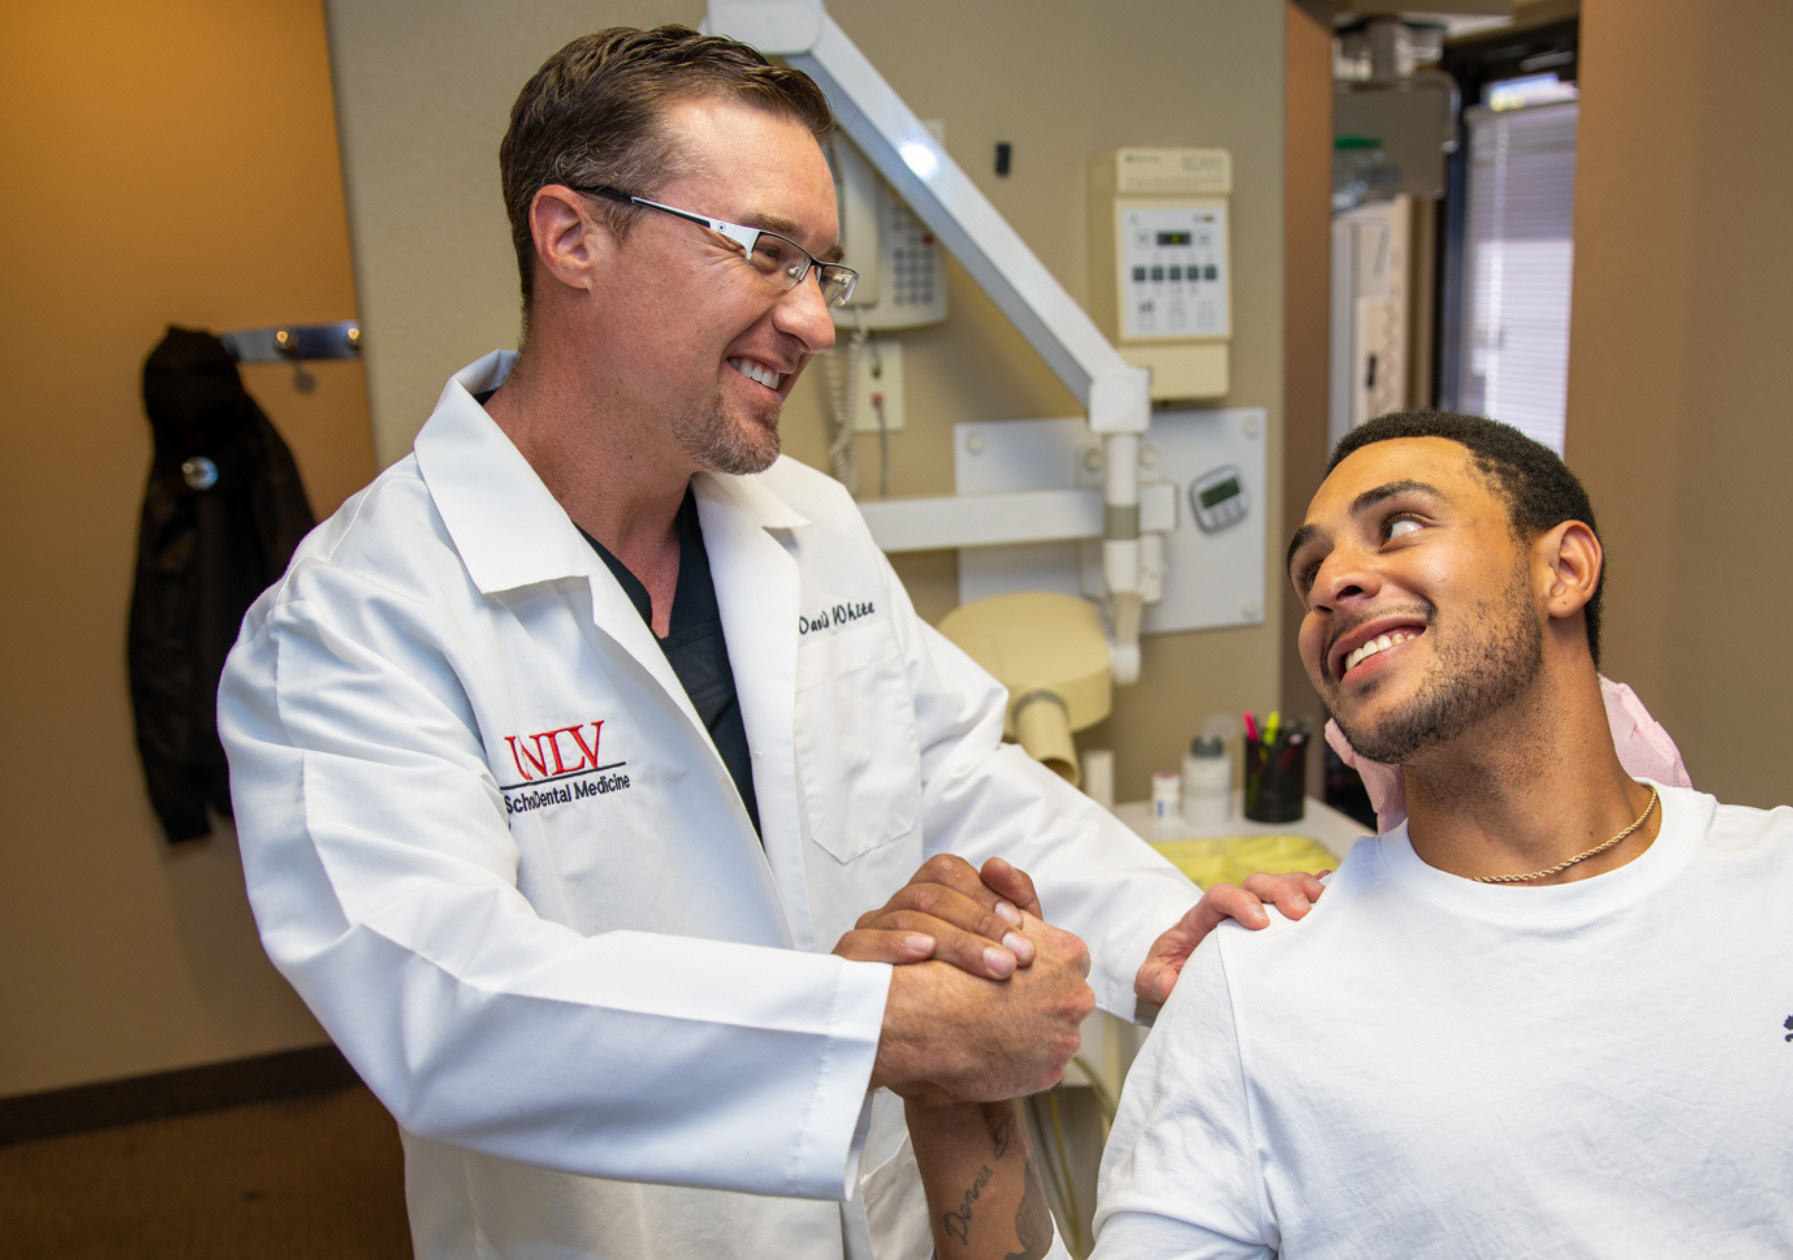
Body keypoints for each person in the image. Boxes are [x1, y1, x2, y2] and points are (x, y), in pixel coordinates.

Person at [217, 26, 1313, 1260]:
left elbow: (953, 778)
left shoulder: (809, 526)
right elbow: (446, 1003)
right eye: (765, 254)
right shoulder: (361, 614)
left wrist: (1150, 936)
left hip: (887, 1221)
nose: (814, 321)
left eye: (822, 271)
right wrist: (884, 1030)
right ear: (572, 236)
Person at [1075, 410, 1793, 1258]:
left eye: (1393, 527)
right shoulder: (1255, 992)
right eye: (1310, 576)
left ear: (1563, 568)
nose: (1333, 584)